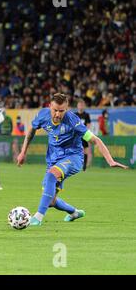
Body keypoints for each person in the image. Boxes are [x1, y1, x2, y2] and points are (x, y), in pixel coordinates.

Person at [17, 93, 128, 226]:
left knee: (53, 174)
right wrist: (23, 152)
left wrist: (110, 160)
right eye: (55, 110)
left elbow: (95, 140)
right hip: (54, 159)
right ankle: (75, 212)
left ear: (67, 109)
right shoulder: (43, 115)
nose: (57, 114)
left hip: (73, 158)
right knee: (50, 200)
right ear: (49, 106)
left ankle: (38, 217)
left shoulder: (73, 121)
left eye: (61, 111)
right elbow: (31, 130)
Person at [74, 99, 92, 170]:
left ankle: (84, 165)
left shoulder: (86, 115)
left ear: (84, 106)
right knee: (75, 149)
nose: (81, 106)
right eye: (79, 105)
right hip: (76, 134)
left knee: (85, 149)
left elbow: (88, 124)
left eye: (82, 105)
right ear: (77, 106)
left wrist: (85, 132)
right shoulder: (75, 115)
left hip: (83, 134)